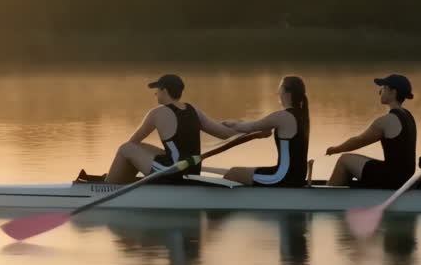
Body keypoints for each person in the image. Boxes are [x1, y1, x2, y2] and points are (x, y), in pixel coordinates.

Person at [80, 73, 234, 184]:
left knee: (125, 148)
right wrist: (245, 127)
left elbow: (131, 144)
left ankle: (107, 186)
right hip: (192, 170)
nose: (155, 94)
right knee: (141, 148)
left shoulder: (157, 113)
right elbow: (225, 134)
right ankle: (122, 180)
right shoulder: (194, 110)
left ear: (165, 91)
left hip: (172, 172)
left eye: (157, 90)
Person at [324, 74, 417, 188]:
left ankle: (328, 200)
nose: (380, 92)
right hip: (406, 176)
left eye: (383, 88)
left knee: (344, 160)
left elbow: (359, 141)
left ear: (393, 92)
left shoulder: (387, 120)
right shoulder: (408, 115)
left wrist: (335, 149)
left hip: (393, 178)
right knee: (354, 160)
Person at [217, 76, 310, 187]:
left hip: (283, 177)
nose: (277, 91)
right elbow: (260, 125)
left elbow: (249, 127)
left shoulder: (282, 116)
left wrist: (228, 124)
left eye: (279, 87)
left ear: (285, 91)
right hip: (297, 176)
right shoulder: (302, 116)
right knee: (239, 173)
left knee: (233, 173)